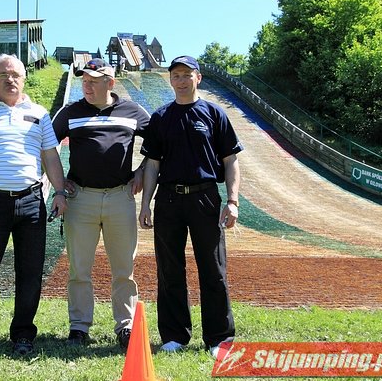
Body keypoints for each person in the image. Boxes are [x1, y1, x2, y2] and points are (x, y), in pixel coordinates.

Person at [0, 54, 67, 356]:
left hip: (32, 202)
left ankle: (22, 334)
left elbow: (50, 157)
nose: (10, 79)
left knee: (30, 272)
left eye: (16, 74)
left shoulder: (40, 114)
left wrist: (59, 192)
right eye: (3, 74)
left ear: (24, 78)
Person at [138, 55, 243, 358]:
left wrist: (233, 201)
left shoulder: (214, 114)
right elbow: (152, 165)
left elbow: (231, 161)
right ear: (170, 80)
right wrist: (145, 204)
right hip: (168, 199)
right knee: (169, 269)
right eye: (176, 75)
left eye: (186, 74)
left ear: (198, 78)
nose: (181, 80)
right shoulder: (160, 117)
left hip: (205, 197)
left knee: (213, 269)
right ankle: (174, 336)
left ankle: (219, 338)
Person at [52, 58, 150, 351]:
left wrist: (143, 171)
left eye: (94, 81)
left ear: (110, 82)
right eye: (84, 80)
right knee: (79, 268)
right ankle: (79, 327)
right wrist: (59, 186)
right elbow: (47, 146)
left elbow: (160, 142)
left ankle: (126, 326)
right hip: (81, 198)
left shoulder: (133, 111)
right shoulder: (70, 112)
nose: (87, 85)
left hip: (121, 197)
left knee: (123, 268)